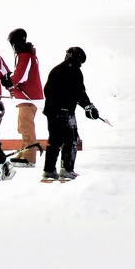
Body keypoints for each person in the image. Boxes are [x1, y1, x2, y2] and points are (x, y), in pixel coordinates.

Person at [41, 46, 99, 182]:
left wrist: (86, 106)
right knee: (71, 140)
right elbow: (80, 92)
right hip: (64, 112)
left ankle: (48, 170)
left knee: (54, 140)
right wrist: (87, 106)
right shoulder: (74, 72)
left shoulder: (56, 70)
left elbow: (47, 90)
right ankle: (66, 169)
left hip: (52, 112)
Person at [6, 28, 44, 167]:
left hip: (29, 97)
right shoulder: (28, 54)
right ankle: (24, 152)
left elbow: (20, 76)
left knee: (26, 127)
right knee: (23, 127)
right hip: (27, 97)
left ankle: (29, 157)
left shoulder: (24, 55)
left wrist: (9, 79)